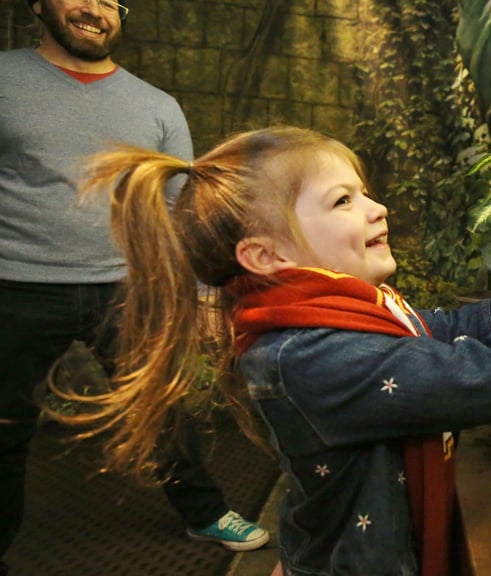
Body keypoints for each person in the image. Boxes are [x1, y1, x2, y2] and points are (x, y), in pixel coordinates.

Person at [69, 125, 491, 575]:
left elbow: (436, 329)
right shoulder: (304, 353)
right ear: (265, 256)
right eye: (344, 201)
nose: (378, 208)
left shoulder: (339, 308)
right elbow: (473, 377)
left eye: (364, 193)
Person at [0, 0, 268, 571]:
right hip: (16, 288)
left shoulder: (157, 107)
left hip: (130, 289)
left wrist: (198, 295)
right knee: (4, 427)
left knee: (163, 408)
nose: (96, 10)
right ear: (39, 5)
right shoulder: (5, 79)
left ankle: (204, 512)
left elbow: (180, 212)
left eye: (111, 1)